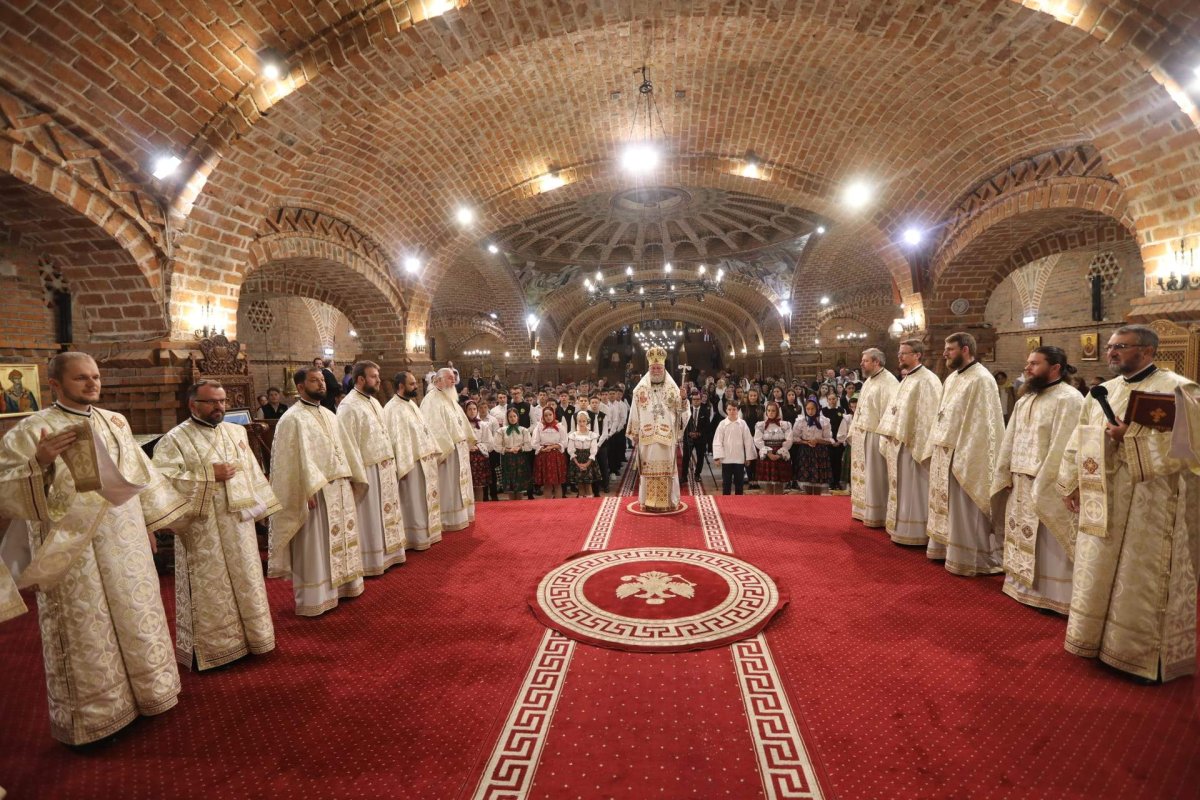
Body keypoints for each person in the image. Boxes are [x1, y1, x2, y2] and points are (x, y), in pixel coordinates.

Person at [0, 352, 189, 744]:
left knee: (136, 610)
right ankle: (97, 715)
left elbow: (140, 473)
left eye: (96, 377)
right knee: (86, 626)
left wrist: (151, 525)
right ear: (55, 384)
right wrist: (40, 462)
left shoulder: (115, 421)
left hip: (125, 538)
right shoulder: (30, 430)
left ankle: (150, 692)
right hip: (72, 548)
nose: (92, 384)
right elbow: (7, 491)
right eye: (81, 378)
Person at [1056, 325, 1200, 681]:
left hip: (1153, 502)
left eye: (1120, 347)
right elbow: (1079, 437)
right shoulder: (1103, 391)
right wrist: (1072, 483)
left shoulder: (1180, 389)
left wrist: (1130, 437)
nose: (1112, 353)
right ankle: (1095, 640)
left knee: (1140, 577)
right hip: (1103, 496)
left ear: (1148, 351)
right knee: (1099, 568)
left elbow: (1191, 449)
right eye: (1110, 347)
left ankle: (1137, 654)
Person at [153, 379, 280, 669]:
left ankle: (254, 638)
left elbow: (251, 470)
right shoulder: (174, 439)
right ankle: (216, 649)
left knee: (247, 579)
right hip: (203, 528)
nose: (219, 407)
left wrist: (262, 509)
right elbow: (163, 481)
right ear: (192, 404)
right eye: (211, 401)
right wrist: (208, 473)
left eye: (222, 401)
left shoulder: (235, 432)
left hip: (239, 523)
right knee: (210, 588)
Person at [990, 347, 1083, 615]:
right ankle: (1021, 587)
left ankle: (1053, 594)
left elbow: (1065, 446)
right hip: (1019, 480)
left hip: (1046, 482)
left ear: (1055, 368)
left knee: (1048, 540)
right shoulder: (1026, 400)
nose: (1028, 368)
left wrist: (1046, 480)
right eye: (1028, 363)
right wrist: (1004, 471)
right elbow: (1011, 438)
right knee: (1020, 532)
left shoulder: (1069, 399)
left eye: (1035, 364)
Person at [268, 366, 365, 616]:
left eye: (322, 380)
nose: (321, 385)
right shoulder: (292, 419)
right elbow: (287, 462)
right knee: (315, 545)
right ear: (300, 387)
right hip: (315, 491)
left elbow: (344, 449)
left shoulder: (330, 415)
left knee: (342, 537)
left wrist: (353, 476)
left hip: (339, 487)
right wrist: (302, 491)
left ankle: (345, 585)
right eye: (314, 381)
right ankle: (315, 596)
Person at [926, 332, 1005, 576]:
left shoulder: (981, 379)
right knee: (947, 507)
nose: (945, 354)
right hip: (944, 452)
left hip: (964, 452)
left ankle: (970, 558)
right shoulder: (952, 379)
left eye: (950, 349)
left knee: (965, 508)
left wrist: (963, 452)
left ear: (965, 350)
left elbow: (981, 423)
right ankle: (947, 549)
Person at [337, 361, 406, 575]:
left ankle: (390, 554)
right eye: (374, 376)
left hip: (384, 466)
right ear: (360, 379)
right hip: (367, 469)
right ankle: (372, 559)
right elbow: (348, 443)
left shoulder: (374, 402)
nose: (378, 380)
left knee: (386, 512)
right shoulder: (348, 406)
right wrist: (356, 475)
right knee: (371, 516)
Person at [876, 339, 943, 546]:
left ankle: (916, 532)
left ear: (917, 355)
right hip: (899, 444)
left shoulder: (928, 380)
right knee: (902, 490)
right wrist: (888, 432)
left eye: (904, 353)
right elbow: (894, 409)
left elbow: (929, 416)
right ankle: (901, 528)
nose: (900, 357)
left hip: (914, 444)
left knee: (915, 489)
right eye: (899, 353)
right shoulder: (907, 379)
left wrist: (916, 441)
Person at [383, 371, 443, 550]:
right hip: (411, 463)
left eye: (415, 383)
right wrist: (403, 465)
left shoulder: (412, 404)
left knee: (423, 500)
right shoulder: (392, 409)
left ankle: (427, 532)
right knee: (413, 501)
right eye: (412, 384)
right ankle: (414, 537)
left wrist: (433, 449)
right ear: (401, 386)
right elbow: (397, 439)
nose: (416, 386)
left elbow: (424, 429)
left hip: (423, 460)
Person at [627, 346, 691, 511]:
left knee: (667, 470)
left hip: (666, 436)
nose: (656, 370)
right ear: (649, 369)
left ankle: (669, 501)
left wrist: (683, 399)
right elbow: (634, 411)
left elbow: (682, 412)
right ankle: (647, 502)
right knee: (647, 471)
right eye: (653, 368)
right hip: (647, 437)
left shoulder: (673, 389)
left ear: (664, 368)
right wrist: (634, 433)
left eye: (659, 368)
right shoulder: (639, 390)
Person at [421, 368, 477, 531]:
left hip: (459, 450)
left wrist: (467, 439)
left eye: (454, 379)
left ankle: (463, 514)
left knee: (460, 485)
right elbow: (433, 426)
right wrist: (447, 445)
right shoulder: (431, 400)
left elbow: (461, 421)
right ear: (438, 380)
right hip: (448, 451)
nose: (454, 382)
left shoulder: (449, 397)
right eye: (450, 379)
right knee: (449, 485)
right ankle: (449, 518)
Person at [850, 348, 899, 528]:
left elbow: (890, 413)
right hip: (862, 434)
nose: (861, 364)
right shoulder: (869, 381)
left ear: (876, 362)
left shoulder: (889, 382)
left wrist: (884, 438)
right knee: (865, 475)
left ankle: (877, 512)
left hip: (875, 435)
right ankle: (863, 509)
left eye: (865, 361)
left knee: (875, 476)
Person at [713, 400, 756, 495]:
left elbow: (748, 440)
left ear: (738, 410)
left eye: (734, 409)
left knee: (739, 483)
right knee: (726, 483)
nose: (732, 412)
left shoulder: (743, 424)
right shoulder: (722, 424)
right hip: (726, 459)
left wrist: (748, 457)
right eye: (729, 409)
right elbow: (717, 441)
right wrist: (717, 457)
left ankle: (739, 503)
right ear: (726, 410)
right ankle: (726, 503)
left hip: (739, 459)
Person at [792, 398, 834, 494]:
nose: (810, 411)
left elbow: (829, 440)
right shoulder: (801, 421)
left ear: (817, 408)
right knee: (806, 480)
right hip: (805, 452)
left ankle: (818, 502)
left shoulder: (824, 421)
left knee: (819, 480)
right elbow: (795, 438)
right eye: (808, 409)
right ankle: (808, 502)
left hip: (820, 451)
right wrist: (806, 442)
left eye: (812, 409)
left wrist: (818, 440)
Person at [754, 401, 793, 495]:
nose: (771, 413)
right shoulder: (761, 425)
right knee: (768, 483)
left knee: (779, 483)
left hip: (780, 454)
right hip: (767, 455)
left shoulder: (785, 425)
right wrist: (768, 453)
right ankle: (769, 504)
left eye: (773, 411)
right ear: (766, 412)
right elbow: (757, 440)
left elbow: (789, 440)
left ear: (777, 412)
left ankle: (779, 504)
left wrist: (780, 454)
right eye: (769, 410)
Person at [495, 407, 533, 500]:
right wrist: (508, 450)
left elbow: (529, 446)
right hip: (507, 459)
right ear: (507, 418)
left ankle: (519, 505)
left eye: (514, 416)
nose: (512, 418)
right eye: (510, 416)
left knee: (520, 485)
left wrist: (519, 448)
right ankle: (511, 505)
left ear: (518, 417)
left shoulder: (524, 430)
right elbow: (497, 446)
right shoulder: (502, 431)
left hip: (520, 459)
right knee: (510, 484)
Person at [532, 405, 567, 499]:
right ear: (543, 416)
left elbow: (564, 442)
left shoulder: (560, 427)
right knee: (547, 484)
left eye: (550, 414)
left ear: (553, 415)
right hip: (544, 456)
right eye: (546, 415)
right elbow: (534, 443)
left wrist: (554, 446)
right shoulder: (539, 427)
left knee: (557, 483)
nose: (548, 417)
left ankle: (559, 506)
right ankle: (548, 507)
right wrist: (542, 449)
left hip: (556, 456)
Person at [464, 400, 494, 502]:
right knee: (468, 484)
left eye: (474, 409)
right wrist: (468, 447)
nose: (472, 411)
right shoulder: (462, 425)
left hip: (479, 457)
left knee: (479, 485)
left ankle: (480, 505)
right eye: (469, 409)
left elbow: (489, 442)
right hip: (466, 457)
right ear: (465, 410)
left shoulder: (483, 425)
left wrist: (478, 446)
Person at [567, 411, 602, 496]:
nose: (582, 423)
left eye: (584, 421)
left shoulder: (592, 435)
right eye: (579, 421)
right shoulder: (573, 435)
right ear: (577, 421)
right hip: (577, 459)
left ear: (587, 421)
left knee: (588, 484)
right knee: (580, 484)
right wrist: (578, 464)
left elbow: (593, 450)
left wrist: (587, 464)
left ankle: (589, 504)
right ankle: (581, 505)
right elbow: (571, 450)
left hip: (588, 459)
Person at [586, 395, 611, 495]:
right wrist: (592, 443)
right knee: (592, 466)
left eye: (596, 403)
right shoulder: (587, 416)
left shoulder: (603, 415)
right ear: (590, 404)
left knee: (603, 465)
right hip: (590, 444)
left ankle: (605, 485)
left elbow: (605, 432)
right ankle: (594, 486)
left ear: (599, 403)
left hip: (601, 445)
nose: (594, 405)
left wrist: (598, 444)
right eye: (592, 403)